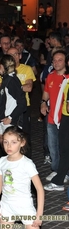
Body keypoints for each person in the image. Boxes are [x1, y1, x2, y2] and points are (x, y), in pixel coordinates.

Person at [0, 126, 44, 229]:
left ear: (22, 143)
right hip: (6, 206)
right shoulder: (1, 162)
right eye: (5, 142)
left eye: (14, 142)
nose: (9, 146)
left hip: (25, 205)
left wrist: (39, 215)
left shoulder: (27, 164)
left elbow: (39, 189)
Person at [40, 50, 69, 183]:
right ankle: (57, 170)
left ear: (65, 62)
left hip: (64, 118)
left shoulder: (67, 79)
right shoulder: (50, 76)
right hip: (52, 117)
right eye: (54, 60)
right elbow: (46, 93)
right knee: (53, 147)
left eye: (60, 60)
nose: (56, 63)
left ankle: (63, 172)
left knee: (64, 147)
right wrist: (43, 103)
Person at [0, 54, 27, 146]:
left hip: (10, 123)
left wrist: (10, 118)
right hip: (3, 121)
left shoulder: (12, 81)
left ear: (1, 66)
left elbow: (22, 103)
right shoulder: (6, 80)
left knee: (11, 150)